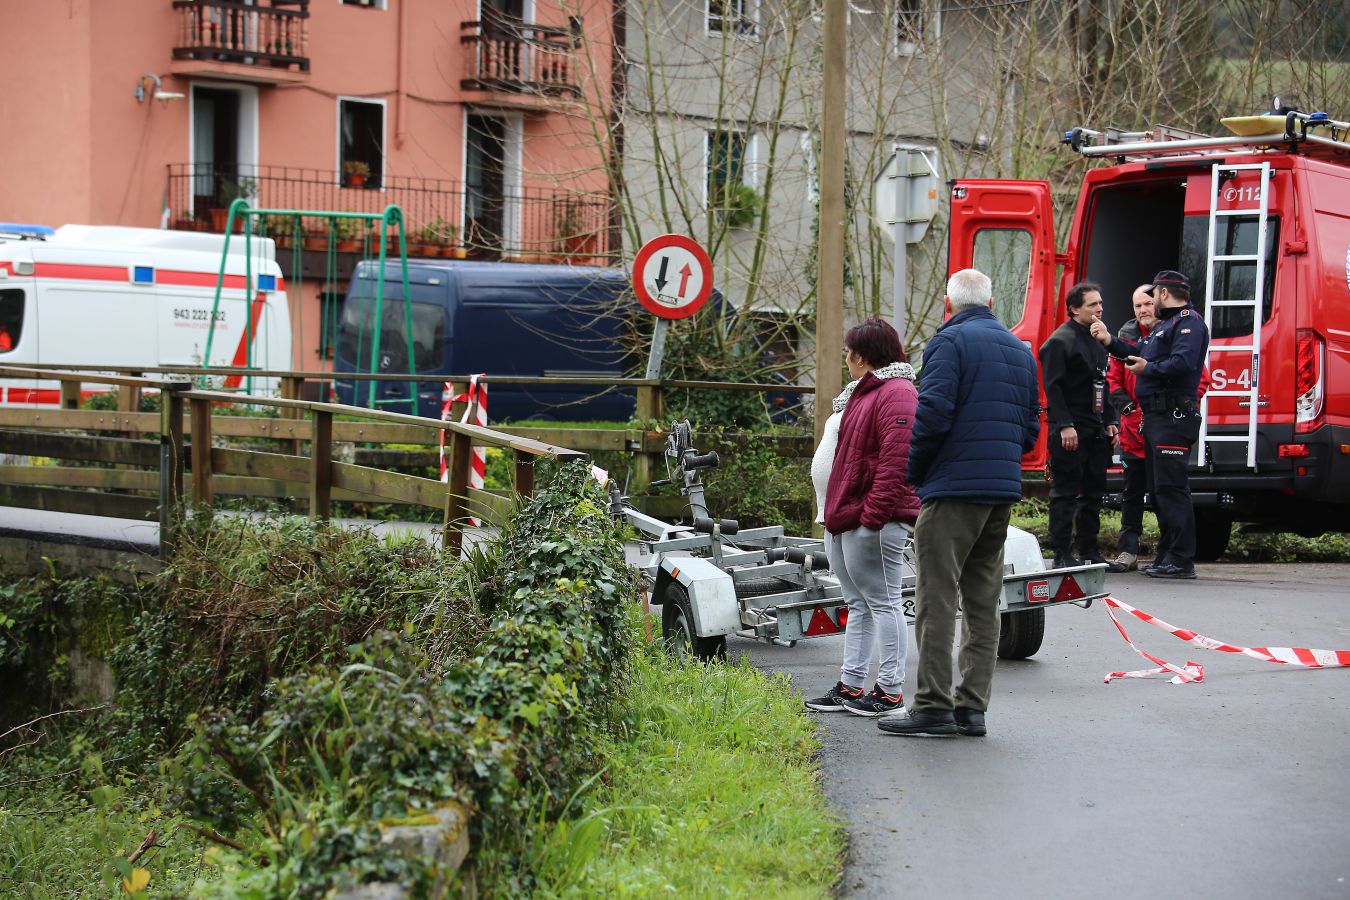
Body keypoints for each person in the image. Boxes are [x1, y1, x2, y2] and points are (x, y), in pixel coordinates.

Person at [878, 269, 1040, 738]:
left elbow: (932, 415)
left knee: (937, 597)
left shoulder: (948, 344)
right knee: (984, 600)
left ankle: (931, 705)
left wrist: (917, 473)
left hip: (953, 488)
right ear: (990, 302)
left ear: (948, 303)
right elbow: (1031, 428)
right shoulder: (1020, 351)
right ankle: (972, 708)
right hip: (1000, 491)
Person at [805, 318, 920, 717]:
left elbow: (895, 461)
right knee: (859, 603)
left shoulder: (897, 392)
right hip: (846, 518)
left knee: (884, 602)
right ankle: (851, 686)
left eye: (851, 350)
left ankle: (890, 691)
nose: (847, 357)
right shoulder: (863, 393)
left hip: (871, 522)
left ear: (865, 354)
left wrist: (872, 518)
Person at [1091, 269, 1210, 580]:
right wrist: (1109, 341)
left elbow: (1183, 363)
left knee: (1171, 489)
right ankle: (1168, 556)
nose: (1148, 302)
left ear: (1164, 294)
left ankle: (1181, 559)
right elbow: (1136, 352)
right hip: (1157, 418)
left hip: (1173, 416)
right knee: (1161, 490)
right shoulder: (1166, 326)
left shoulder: (1189, 322)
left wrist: (1148, 369)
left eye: (1153, 295)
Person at [1038, 282, 1119, 569]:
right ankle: (1060, 552)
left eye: (1100, 303)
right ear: (1074, 309)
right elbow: (1053, 387)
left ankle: (1089, 549)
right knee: (1065, 492)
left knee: (1094, 492)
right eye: (1092, 304)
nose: (1099, 308)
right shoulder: (1059, 342)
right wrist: (1064, 425)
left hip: (1095, 427)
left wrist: (1111, 420)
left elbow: (1102, 383)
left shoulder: (1097, 339)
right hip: (1070, 428)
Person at [1105, 285, 1157, 572]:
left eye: (1148, 304)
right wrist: (1126, 408)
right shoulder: (1125, 338)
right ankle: (1128, 551)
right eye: (1138, 306)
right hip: (1132, 429)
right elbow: (1113, 379)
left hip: (1164, 428)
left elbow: (1199, 379)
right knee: (1132, 493)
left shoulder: (1172, 335)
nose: (1143, 310)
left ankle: (1170, 552)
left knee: (1166, 493)